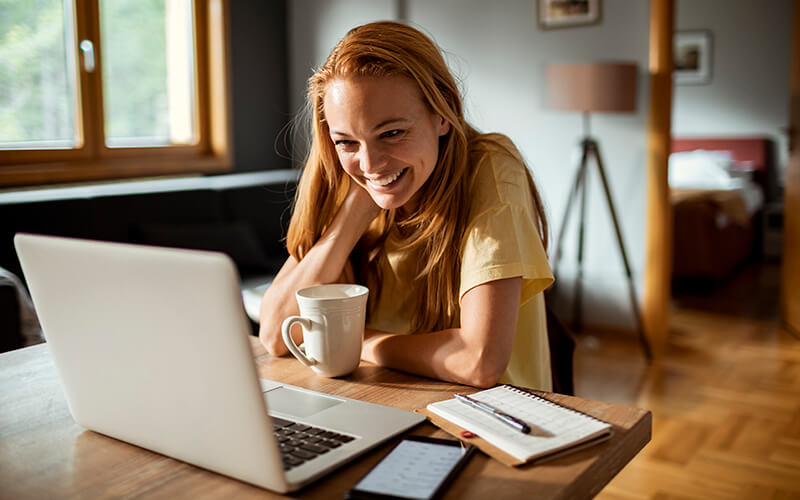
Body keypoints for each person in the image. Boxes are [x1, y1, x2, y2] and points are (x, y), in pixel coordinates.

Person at [259, 21, 554, 390]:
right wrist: (352, 213)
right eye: (347, 142)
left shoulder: (490, 167)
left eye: (392, 133)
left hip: (493, 421)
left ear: (443, 113)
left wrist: (352, 341)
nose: (370, 164)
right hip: (391, 403)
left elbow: (479, 362)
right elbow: (274, 332)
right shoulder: (351, 179)